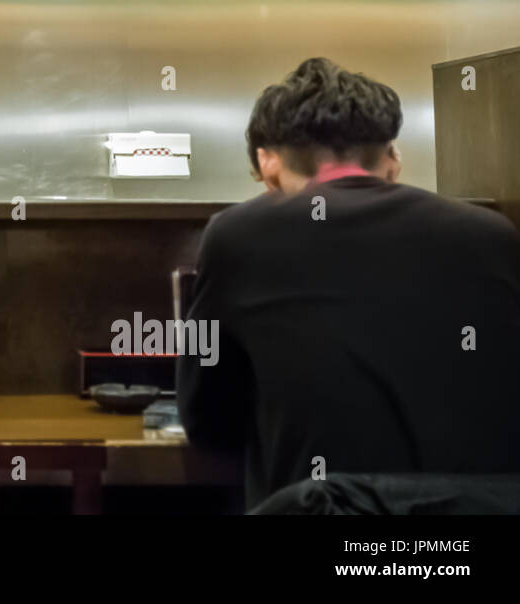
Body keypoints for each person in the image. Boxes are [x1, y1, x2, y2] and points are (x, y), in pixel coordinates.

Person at [178, 57, 520, 511]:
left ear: (268, 165)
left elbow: (208, 421)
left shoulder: (239, 234)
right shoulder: (490, 234)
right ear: (394, 159)